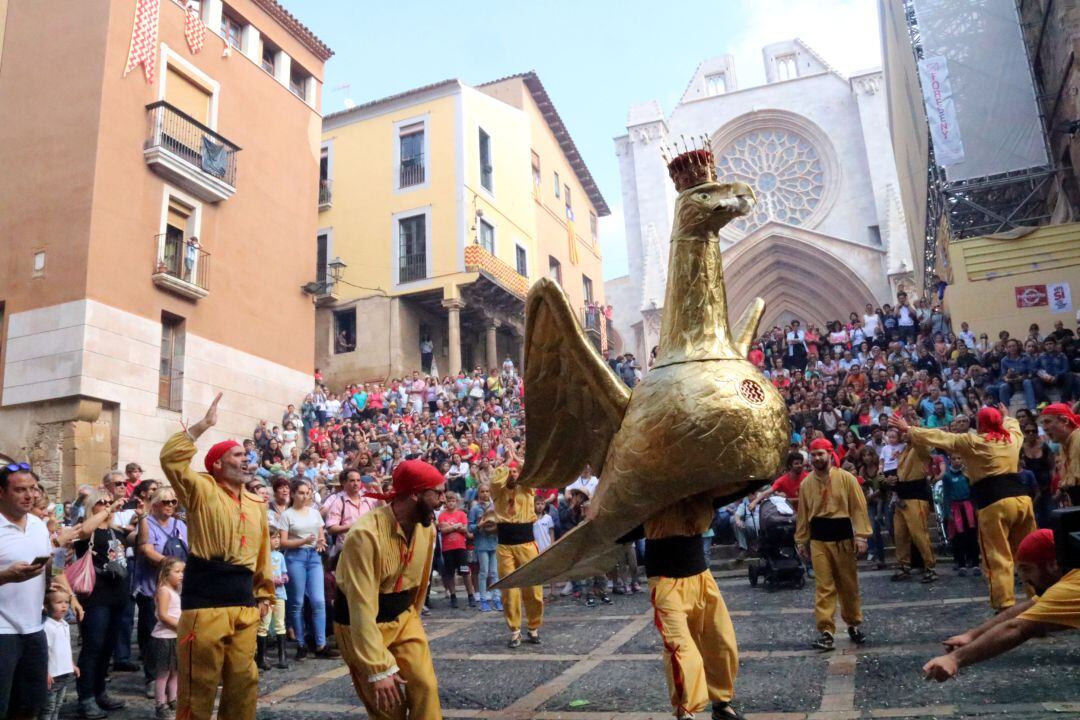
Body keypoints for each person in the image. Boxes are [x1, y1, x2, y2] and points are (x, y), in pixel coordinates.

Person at [159, 393, 275, 720]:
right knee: (199, 688)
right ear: (218, 464)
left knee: (244, 682)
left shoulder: (256, 504)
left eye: (246, 455)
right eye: (238, 454)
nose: (246, 459)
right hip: (204, 604)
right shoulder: (200, 488)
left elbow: (263, 552)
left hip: (243, 603)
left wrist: (264, 593)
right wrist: (202, 426)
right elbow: (170, 459)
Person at [891, 405, 1037, 611]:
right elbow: (1013, 424)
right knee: (1028, 552)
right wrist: (1006, 416)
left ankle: (1004, 604)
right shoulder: (1013, 439)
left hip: (994, 502)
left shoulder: (974, 441)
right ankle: (1037, 599)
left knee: (998, 555)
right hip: (1022, 500)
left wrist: (909, 429)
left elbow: (942, 438)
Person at [334, 460, 445, 719]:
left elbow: (420, 584)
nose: (442, 500)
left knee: (426, 687)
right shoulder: (365, 535)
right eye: (437, 493)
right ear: (415, 494)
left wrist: (412, 617)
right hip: (360, 625)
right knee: (389, 707)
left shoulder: (427, 529)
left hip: (404, 619)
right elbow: (360, 606)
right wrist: (377, 667)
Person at [923, 529, 1079, 681]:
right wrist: (971, 635)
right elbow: (1028, 607)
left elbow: (1017, 628)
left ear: (1053, 565)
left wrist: (954, 659)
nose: (1024, 578)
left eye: (1027, 569)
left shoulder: (1069, 588)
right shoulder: (1071, 576)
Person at [642, 491, 743, 720]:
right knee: (680, 649)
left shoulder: (703, 488)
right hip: (666, 578)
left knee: (721, 641)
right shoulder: (649, 486)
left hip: (700, 574)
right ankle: (685, 713)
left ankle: (721, 704)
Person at [795, 439, 871, 650]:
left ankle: (853, 624)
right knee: (824, 586)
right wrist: (802, 540)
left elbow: (858, 507)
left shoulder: (847, 479)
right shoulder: (806, 484)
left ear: (829, 453)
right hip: (819, 539)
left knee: (848, 584)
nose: (817, 458)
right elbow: (803, 514)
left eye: (821, 453)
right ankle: (826, 631)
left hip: (843, 537)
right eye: (814, 454)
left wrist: (861, 535)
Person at [0, 463, 53, 720]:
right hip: (2, 632)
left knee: (29, 707)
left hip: (34, 629)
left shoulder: (37, 524)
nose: (30, 495)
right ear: (1, 492)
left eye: (32, 489)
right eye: (20, 490)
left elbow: (50, 567)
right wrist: (5, 576)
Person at [71, 489, 130, 719]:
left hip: (117, 595)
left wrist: (143, 516)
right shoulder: (85, 530)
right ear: (91, 507)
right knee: (93, 647)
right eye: (101, 503)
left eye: (109, 502)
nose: (107, 505)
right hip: (96, 596)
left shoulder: (116, 532)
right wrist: (110, 508)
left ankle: (100, 692)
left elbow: (139, 541)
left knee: (107, 647)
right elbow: (85, 530)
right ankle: (85, 698)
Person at [133, 487, 187, 699]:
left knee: (173, 635)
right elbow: (145, 549)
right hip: (152, 584)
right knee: (151, 633)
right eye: (166, 502)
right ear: (154, 505)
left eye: (174, 502)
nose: (171, 506)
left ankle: (173, 680)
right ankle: (152, 677)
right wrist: (170, 565)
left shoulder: (180, 524)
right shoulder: (149, 523)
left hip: (177, 587)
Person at [490, 452, 544, 648]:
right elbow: (496, 479)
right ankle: (514, 630)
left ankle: (533, 626)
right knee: (509, 590)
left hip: (526, 543)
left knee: (533, 588)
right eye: (509, 471)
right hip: (505, 545)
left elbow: (534, 474)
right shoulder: (498, 491)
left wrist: (517, 458)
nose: (512, 474)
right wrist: (505, 461)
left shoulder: (527, 489)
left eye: (515, 471)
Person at [278, 480, 336, 659]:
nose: (305, 496)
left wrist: (321, 544)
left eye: (307, 492)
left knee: (318, 600)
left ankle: (320, 644)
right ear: (293, 494)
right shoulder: (287, 515)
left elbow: (321, 537)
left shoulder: (315, 513)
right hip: (295, 557)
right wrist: (302, 541)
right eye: (301, 492)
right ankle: (301, 643)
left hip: (313, 557)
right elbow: (283, 542)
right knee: (297, 602)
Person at [890, 439, 937, 583]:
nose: (902, 433)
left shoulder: (920, 448)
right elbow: (902, 474)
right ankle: (903, 565)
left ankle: (930, 567)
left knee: (919, 535)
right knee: (900, 535)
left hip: (916, 498)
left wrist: (911, 427)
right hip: (902, 498)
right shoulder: (904, 449)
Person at [147, 558, 183, 720]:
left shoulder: (175, 590)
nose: (181, 575)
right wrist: (181, 626)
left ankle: (173, 698)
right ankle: (160, 703)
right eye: (177, 572)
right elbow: (163, 615)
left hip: (175, 637)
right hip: (164, 638)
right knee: (163, 673)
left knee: (175, 672)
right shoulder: (163, 591)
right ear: (166, 573)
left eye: (182, 572)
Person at [41, 587, 78, 720]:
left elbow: (66, 648)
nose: (64, 606)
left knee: (58, 705)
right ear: (46, 606)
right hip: (53, 674)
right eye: (58, 602)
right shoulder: (47, 627)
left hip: (65, 672)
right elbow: (43, 651)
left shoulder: (64, 624)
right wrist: (45, 672)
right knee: (48, 707)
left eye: (66, 602)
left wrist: (72, 665)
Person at [257, 532, 289, 671]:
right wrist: (271, 580)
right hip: (267, 594)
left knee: (280, 623)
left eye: (277, 538)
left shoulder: (280, 556)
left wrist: (284, 577)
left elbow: (283, 571)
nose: (276, 540)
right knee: (264, 624)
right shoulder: (262, 556)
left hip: (280, 594)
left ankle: (282, 655)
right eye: (273, 538)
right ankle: (261, 658)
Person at [436, 492, 473, 609]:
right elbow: (443, 530)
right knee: (450, 574)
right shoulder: (442, 515)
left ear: (456, 502)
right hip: (447, 548)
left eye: (453, 500)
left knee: (465, 572)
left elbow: (464, 529)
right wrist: (455, 527)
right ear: (445, 503)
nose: (451, 503)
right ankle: (453, 596)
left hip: (460, 547)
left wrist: (450, 527)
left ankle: (470, 595)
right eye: (448, 501)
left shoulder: (461, 514)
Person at [467, 484, 500, 613]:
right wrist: (479, 525)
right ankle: (483, 599)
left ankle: (497, 598)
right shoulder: (475, 509)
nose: (485, 494)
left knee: (495, 572)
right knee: (483, 572)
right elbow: (470, 527)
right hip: (481, 544)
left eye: (487, 491)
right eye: (482, 491)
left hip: (494, 542)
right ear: (478, 493)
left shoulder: (494, 507)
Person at [1040, 403, 1080, 507]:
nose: (1044, 428)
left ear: (1065, 421)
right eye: (1042, 423)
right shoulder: (1063, 445)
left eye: (1048, 422)